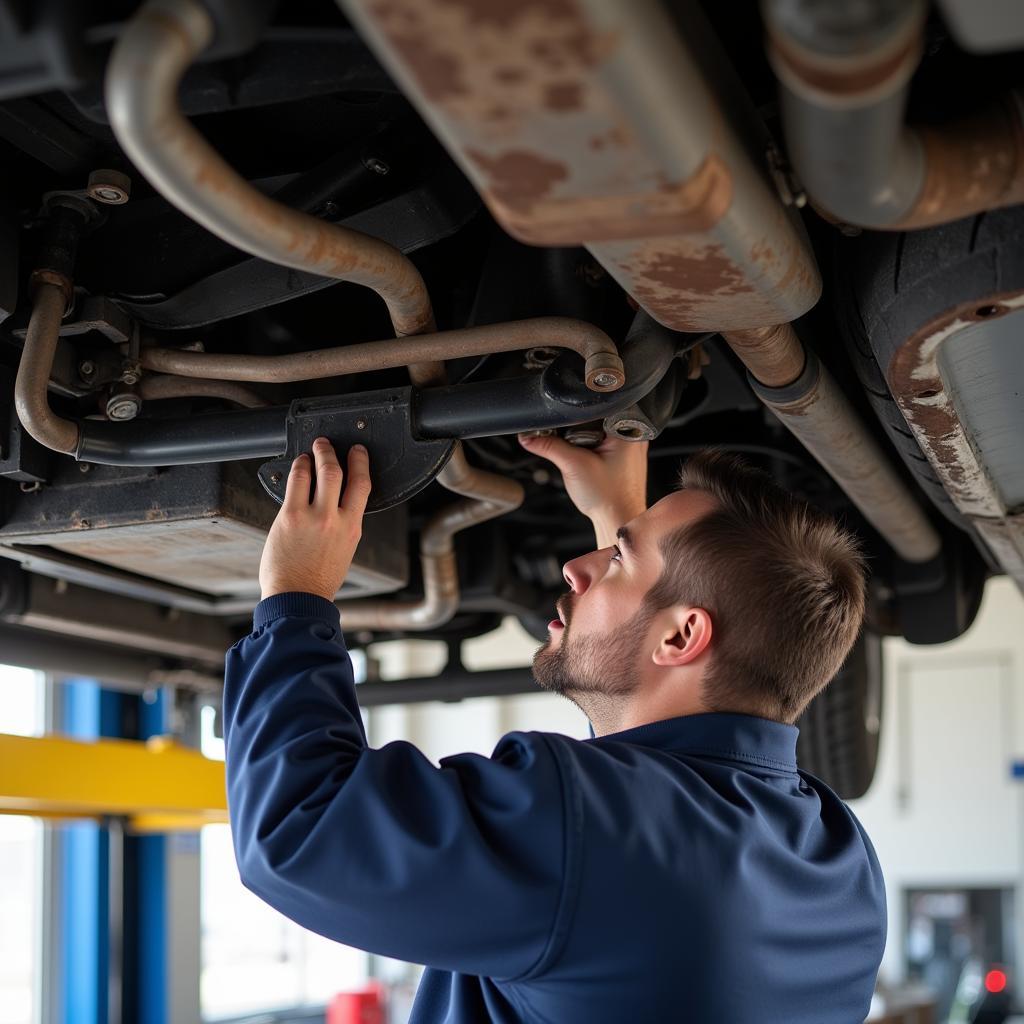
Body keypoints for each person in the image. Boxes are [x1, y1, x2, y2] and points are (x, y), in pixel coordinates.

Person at [223, 433, 887, 1024]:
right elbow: (643, 832)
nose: (577, 568)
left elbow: (301, 825)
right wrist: (622, 531)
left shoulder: (592, 829)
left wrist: (297, 593)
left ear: (682, 634)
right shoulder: (841, 868)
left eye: (616, 561)